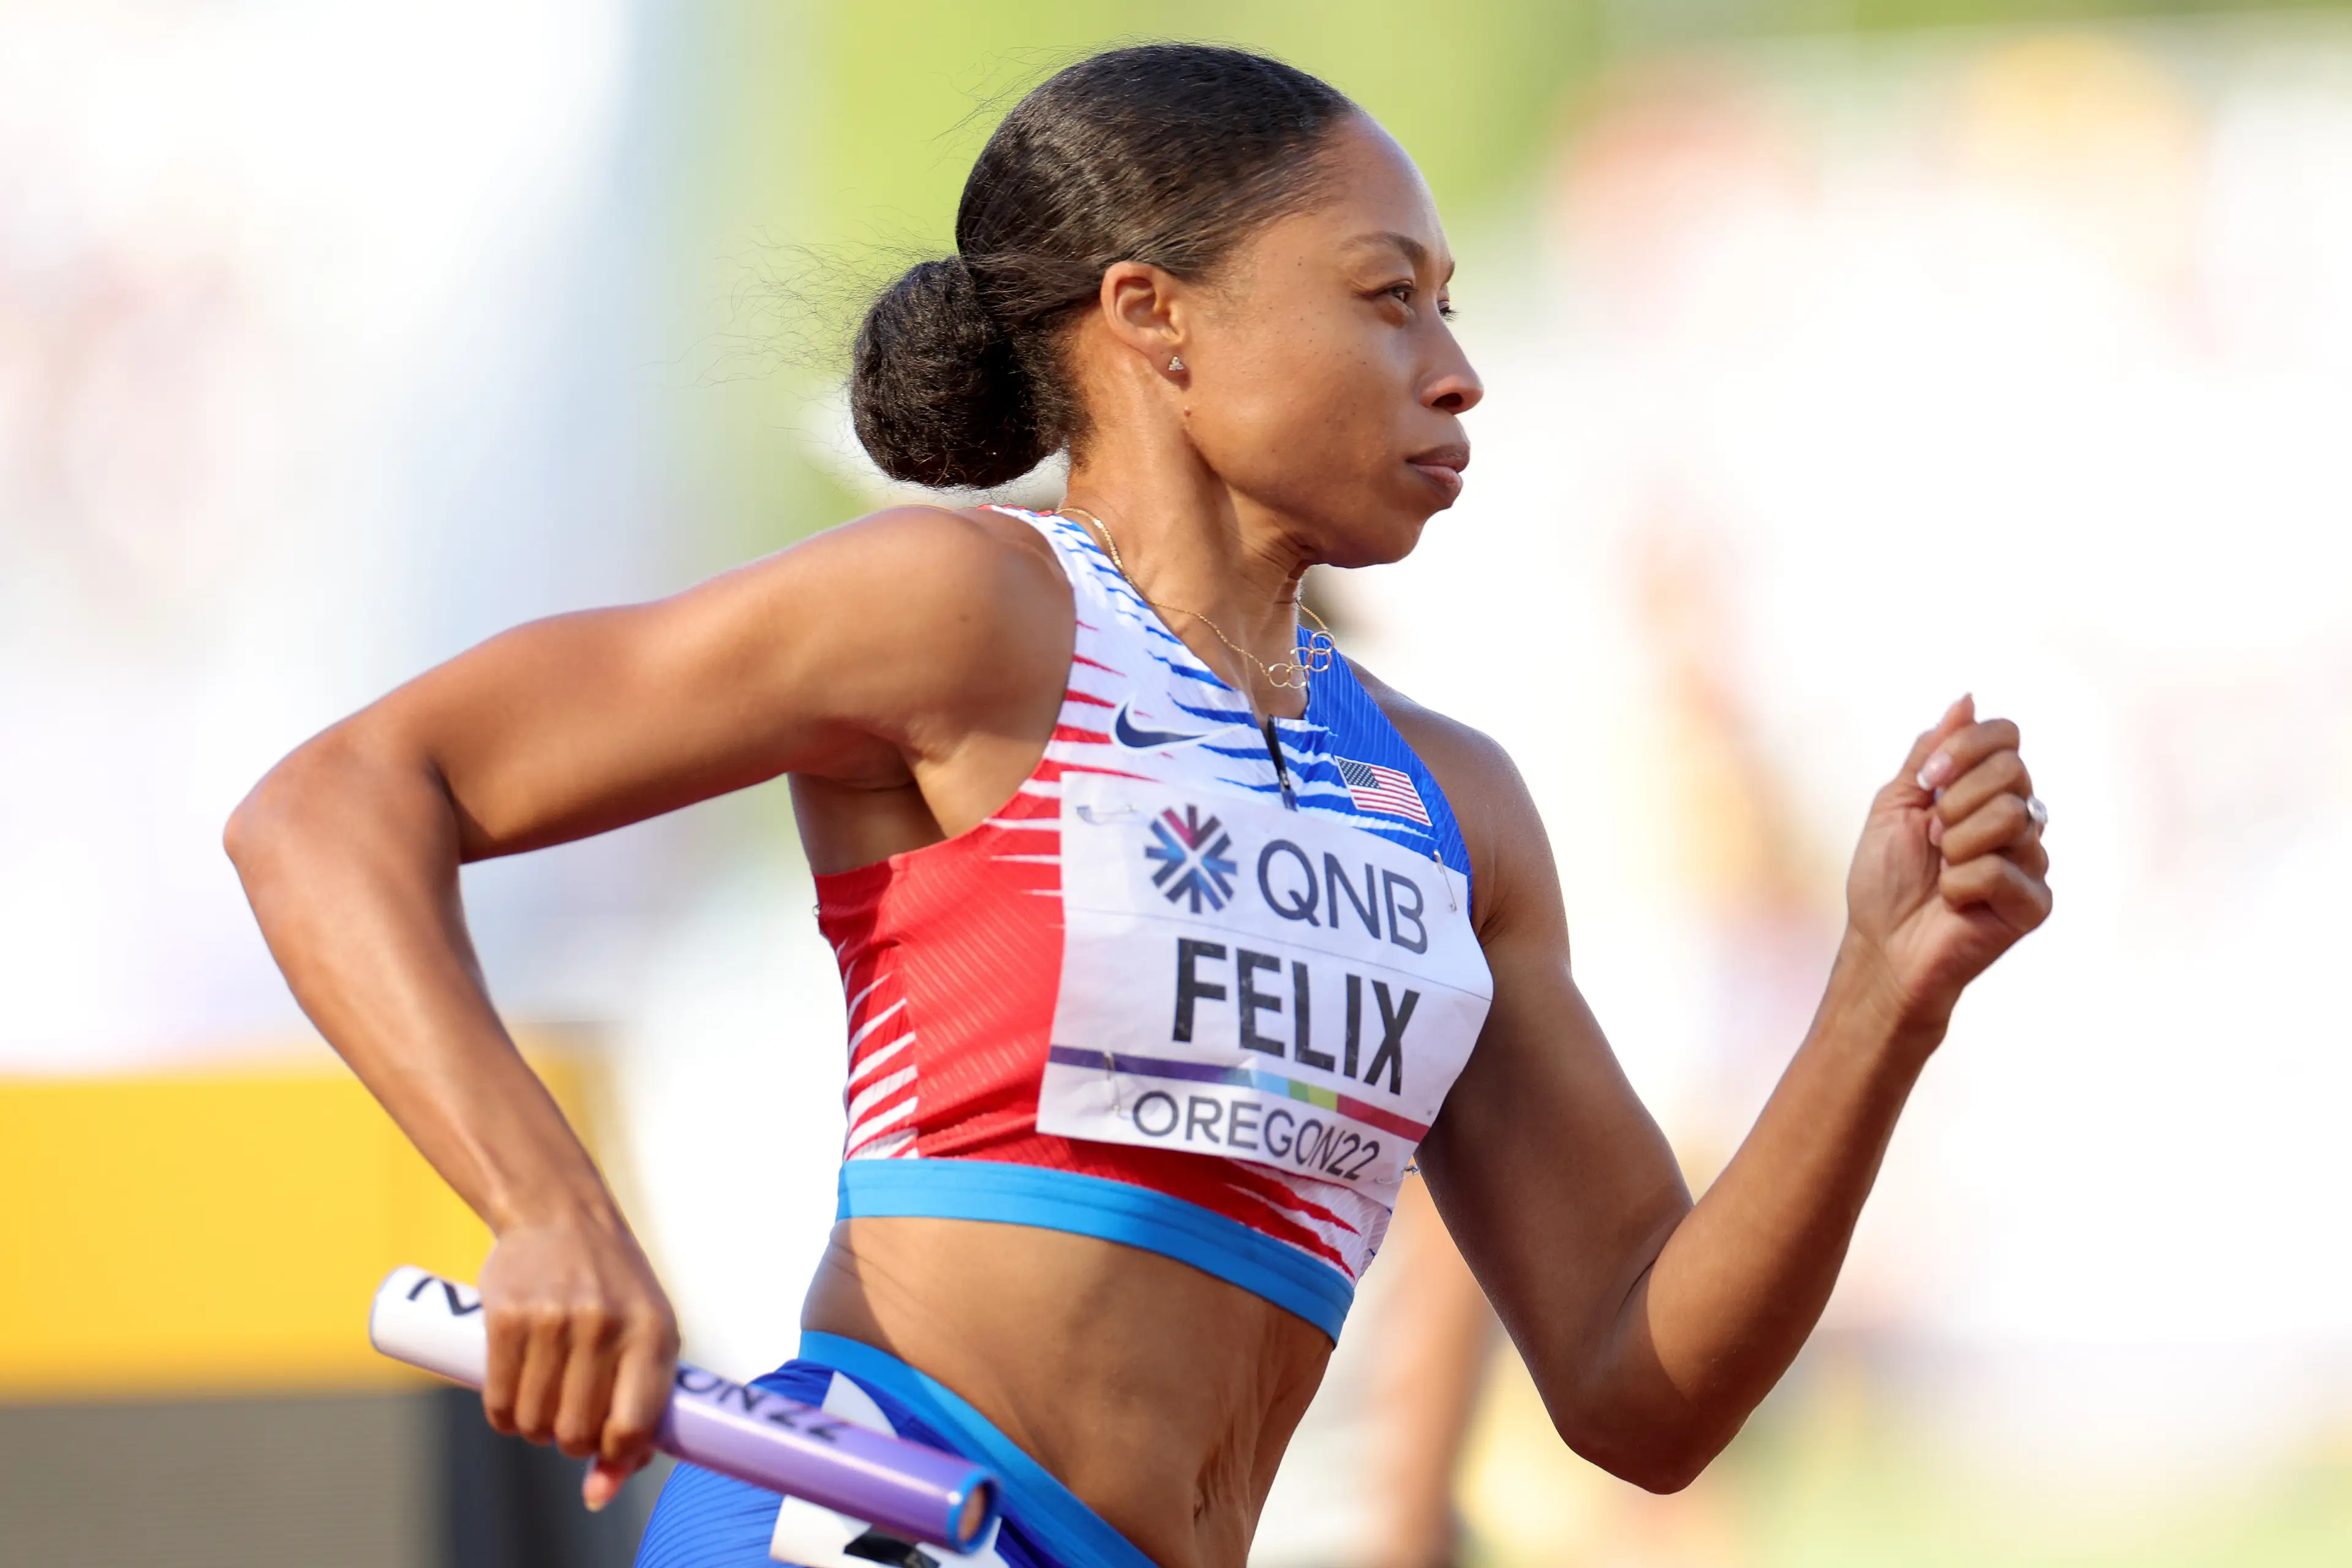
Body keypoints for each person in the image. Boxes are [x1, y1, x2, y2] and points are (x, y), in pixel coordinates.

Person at [224, 43, 2053, 1568]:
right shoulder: (964, 608)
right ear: (1154, 321)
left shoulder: (1459, 803)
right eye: (1385, 296)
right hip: (877, 1515)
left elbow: (1641, 1390)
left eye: (1453, 305)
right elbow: (331, 809)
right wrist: (547, 1206)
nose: (1458, 364)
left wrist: (1884, 997)